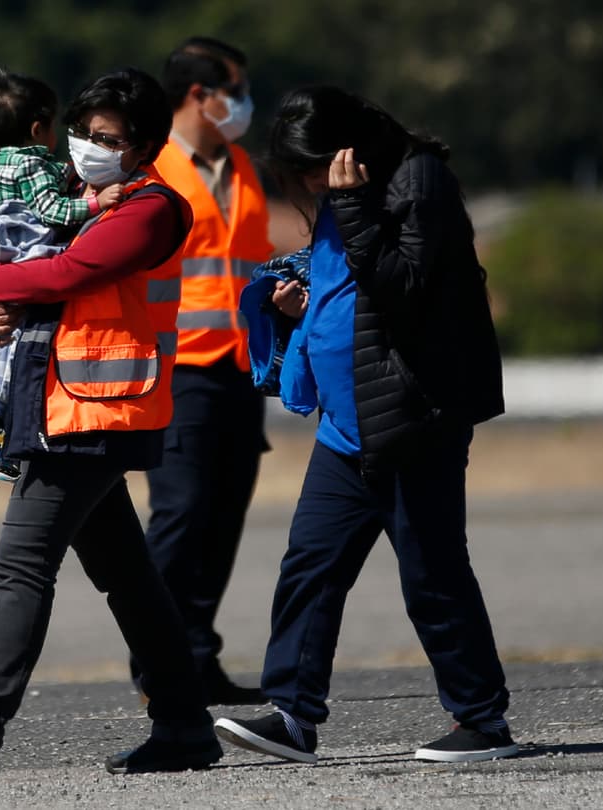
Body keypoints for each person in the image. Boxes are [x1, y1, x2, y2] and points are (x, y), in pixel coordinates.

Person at [0, 68, 223, 780]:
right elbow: (25, 269)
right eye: (82, 133)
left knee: (23, 564)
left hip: (95, 412)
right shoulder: (81, 199)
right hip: (64, 404)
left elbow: (66, 274)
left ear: (143, 147)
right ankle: (184, 726)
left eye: (106, 139)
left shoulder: (151, 209)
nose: (86, 148)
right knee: (130, 580)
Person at [214, 85, 519, 764]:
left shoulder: (419, 180)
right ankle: (292, 715)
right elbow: (347, 288)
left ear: (349, 145)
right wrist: (296, 306)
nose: (312, 183)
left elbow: (403, 284)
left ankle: (482, 722)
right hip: (346, 425)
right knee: (311, 567)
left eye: (316, 167)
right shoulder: (342, 198)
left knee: (432, 571)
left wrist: (348, 205)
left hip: (412, 417)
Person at [133, 36, 273, 706]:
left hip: (243, 369)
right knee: (181, 513)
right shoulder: (151, 168)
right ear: (198, 95)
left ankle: (197, 656)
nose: (242, 104)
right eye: (234, 90)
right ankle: (156, 659)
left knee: (222, 519)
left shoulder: (243, 164)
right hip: (178, 367)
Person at [0, 66, 121, 482]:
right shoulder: (33, 165)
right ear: (39, 129)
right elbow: (51, 210)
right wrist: (97, 203)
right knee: (7, 345)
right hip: (24, 259)